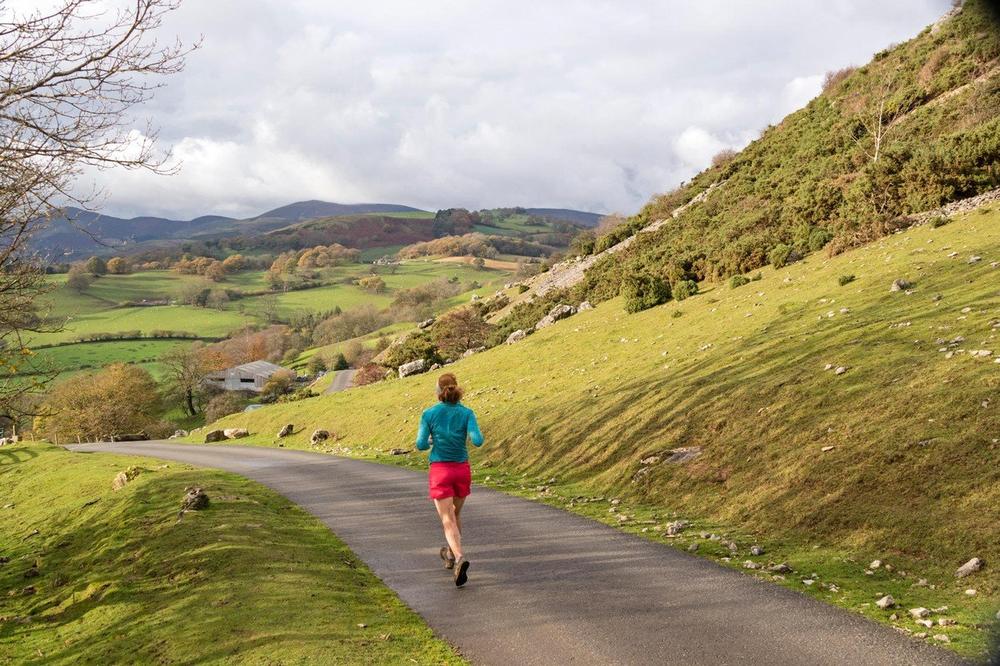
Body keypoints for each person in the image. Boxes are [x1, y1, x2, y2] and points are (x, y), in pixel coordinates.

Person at [416, 372, 484, 587]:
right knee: (455, 515)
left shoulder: (429, 414)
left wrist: (430, 442)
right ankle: (451, 554)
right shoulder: (467, 413)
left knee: (448, 519)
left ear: (438, 391)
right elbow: (478, 440)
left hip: (440, 470)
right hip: (462, 469)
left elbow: (420, 445)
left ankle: (459, 556)